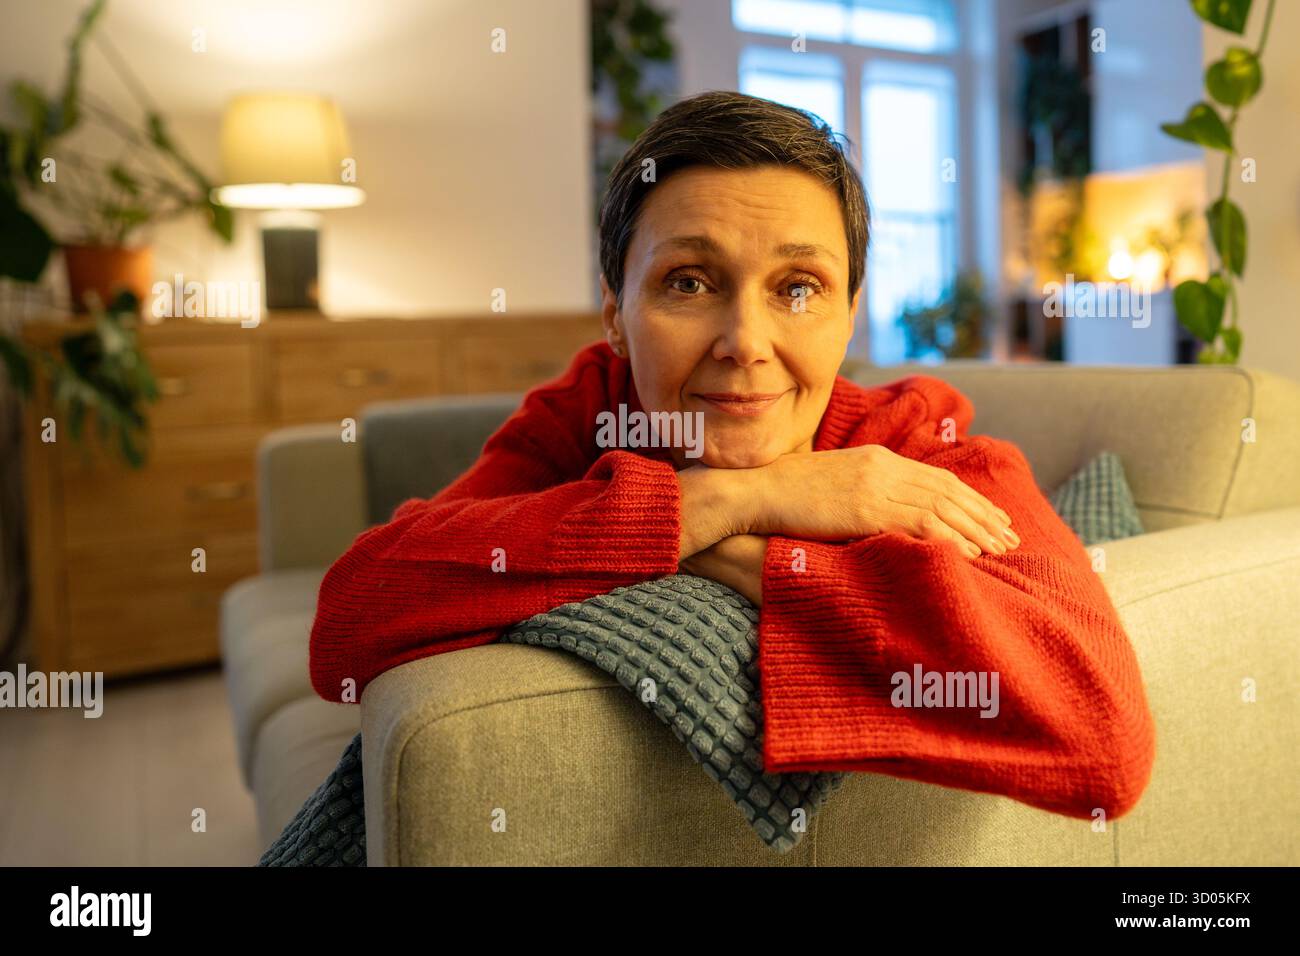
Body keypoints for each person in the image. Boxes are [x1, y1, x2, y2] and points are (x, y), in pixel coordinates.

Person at [307, 90, 1156, 823]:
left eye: (797, 289)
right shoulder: (596, 408)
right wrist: (735, 500)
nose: (746, 343)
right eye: (687, 282)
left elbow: (1104, 740)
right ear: (614, 314)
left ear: (851, 313)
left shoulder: (915, 450)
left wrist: (745, 556)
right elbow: (351, 618)